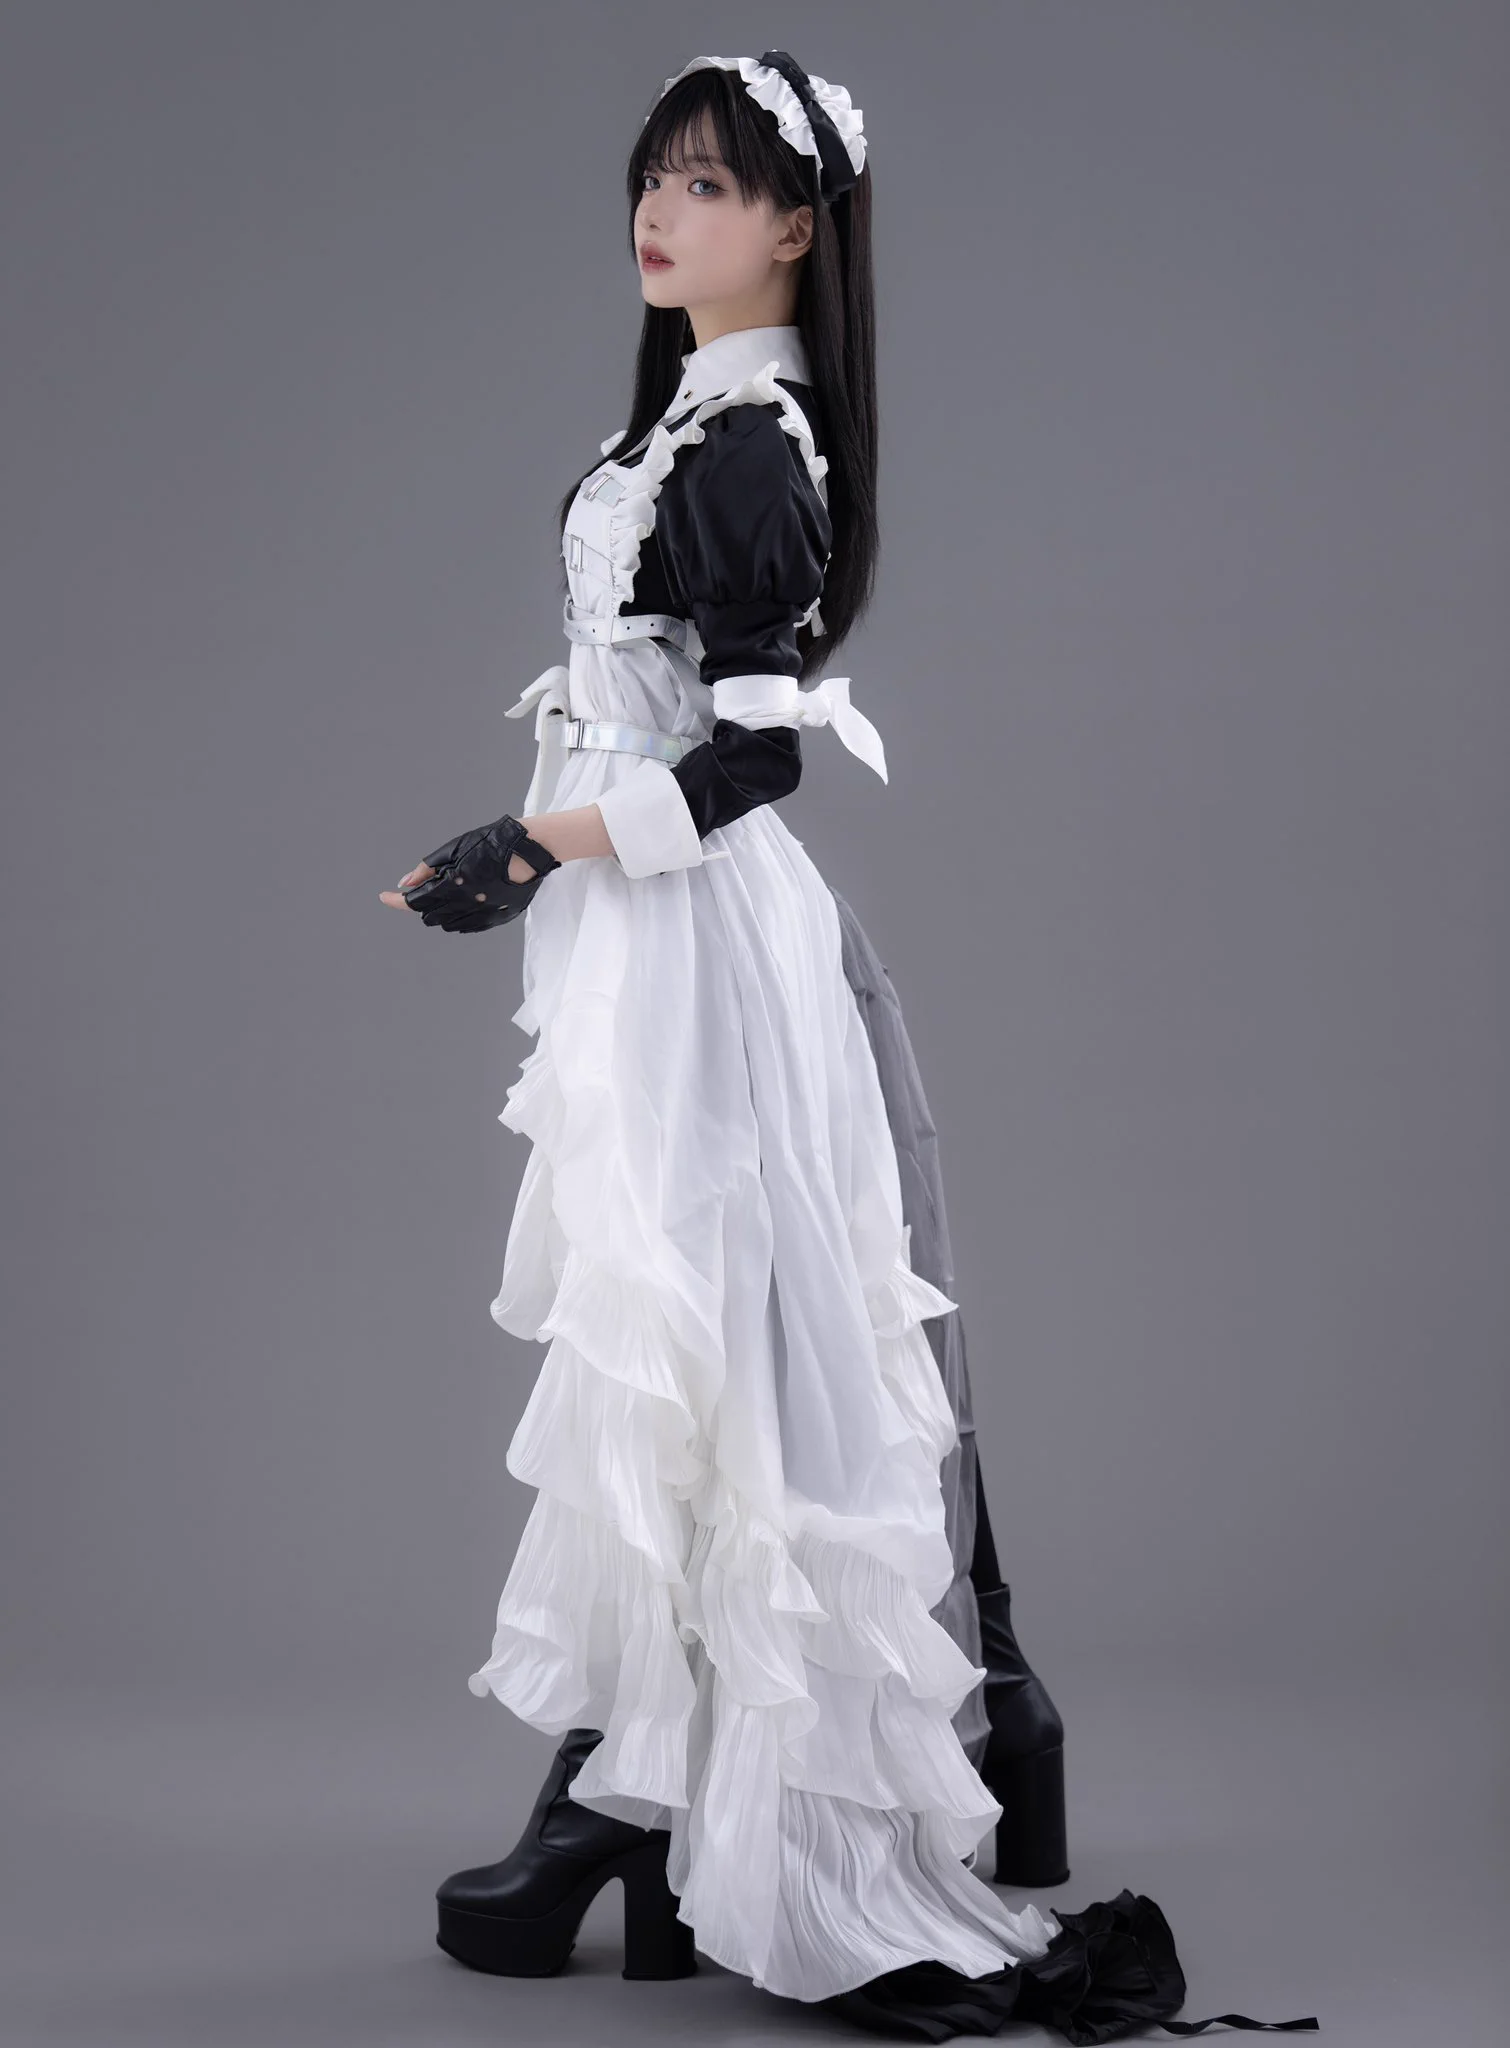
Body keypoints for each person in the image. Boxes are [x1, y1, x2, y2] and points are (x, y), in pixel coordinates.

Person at [381, 50, 1317, 2044]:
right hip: (638, 950)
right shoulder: (686, 421)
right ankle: (630, 1793)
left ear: (797, 226)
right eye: (653, 177)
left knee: (742, 1350)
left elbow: (749, 761)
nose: (663, 212)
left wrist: (522, 848)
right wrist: (544, 859)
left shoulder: (750, 442)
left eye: (712, 185)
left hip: (699, 947)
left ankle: (715, 1822)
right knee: (673, 1349)